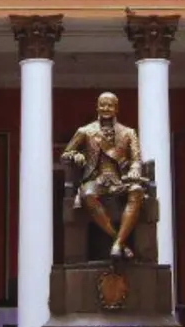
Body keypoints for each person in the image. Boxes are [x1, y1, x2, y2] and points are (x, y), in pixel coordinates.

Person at [61, 92, 146, 259]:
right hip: (95, 179)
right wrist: (75, 155)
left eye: (110, 105)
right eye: (102, 104)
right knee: (88, 194)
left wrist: (135, 169)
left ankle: (117, 244)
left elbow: (136, 159)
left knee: (136, 190)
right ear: (97, 107)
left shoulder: (128, 133)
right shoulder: (85, 131)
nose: (106, 108)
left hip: (120, 179)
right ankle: (119, 241)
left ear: (116, 108)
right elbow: (65, 154)